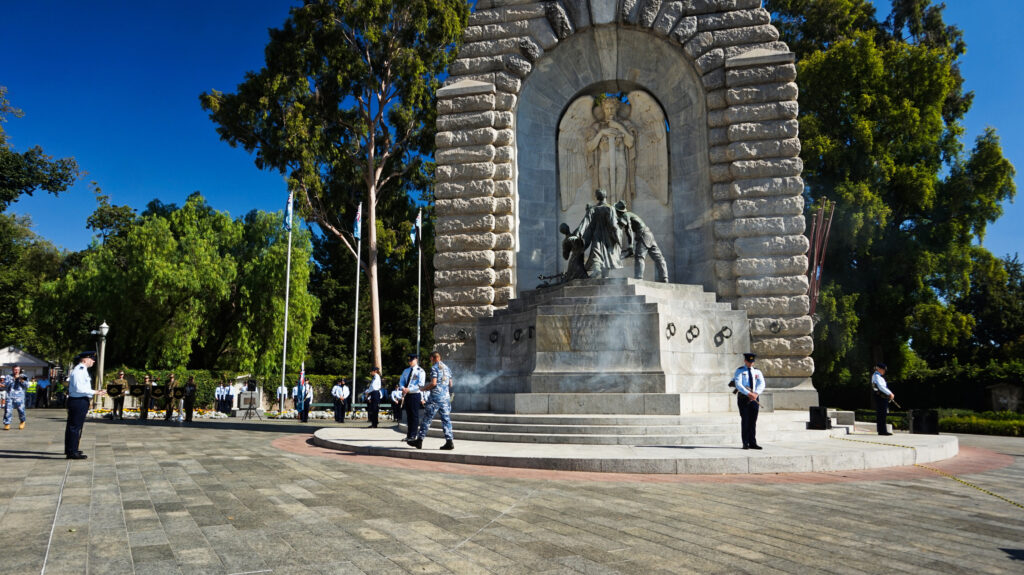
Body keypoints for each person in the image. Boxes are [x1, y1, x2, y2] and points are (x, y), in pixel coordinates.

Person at [408, 351, 455, 450]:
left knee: (427, 419)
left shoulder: (434, 368)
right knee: (446, 419)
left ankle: (419, 441)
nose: (430, 361)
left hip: (435, 398)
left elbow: (433, 383)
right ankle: (449, 441)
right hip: (446, 398)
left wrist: (424, 388)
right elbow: (451, 384)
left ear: (433, 358)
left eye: (430, 359)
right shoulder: (447, 368)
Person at [614, 201, 668, 282]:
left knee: (639, 257)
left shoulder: (625, 215)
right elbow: (628, 230)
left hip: (643, 234)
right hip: (649, 234)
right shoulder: (629, 214)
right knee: (659, 257)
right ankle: (664, 278)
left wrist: (631, 246)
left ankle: (638, 278)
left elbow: (628, 230)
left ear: (618, 211)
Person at [66, 351, 105, 459]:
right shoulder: (80, 370)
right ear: (85, 359)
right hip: (78, 400)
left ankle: (71, 448)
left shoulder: (82, 370)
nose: (93, 361)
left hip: (79, 400)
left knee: (74, 426)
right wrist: (95, 392)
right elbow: (79, 388)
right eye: (92, 359)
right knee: (75, 427)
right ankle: (72, 451)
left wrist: (95, 391)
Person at [579, 189, 623, 278]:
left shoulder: (593, 209)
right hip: (608, 238)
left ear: (597, 198)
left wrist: (578, 233)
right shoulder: (610, 208)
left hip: (597, 237)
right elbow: (614, 225)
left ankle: (599, 272)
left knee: (597, 254)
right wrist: (618, 238)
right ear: (606, 196)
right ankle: (600, 273)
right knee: (606, 256)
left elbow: (585, 222)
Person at [733, 352, 765, 450]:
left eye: (752, 362)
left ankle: (753, 442)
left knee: (753, 421)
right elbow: (738, 384)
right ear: (745, 361)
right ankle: (745, 443)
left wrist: (756, 393)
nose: (750, 364)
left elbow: (762, 383)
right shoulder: (740, 371)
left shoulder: (757, 372)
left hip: (754, 398)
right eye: (749, 361)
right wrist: (748, 393)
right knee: (745, 420)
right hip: (744, 398)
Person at [398, 353, 426, 442]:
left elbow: (420, 385)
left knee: (414, 416)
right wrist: (403, 388)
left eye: (412, 360)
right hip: (407, 395)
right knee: (409, 416)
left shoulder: (420, 371)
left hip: (415, 395)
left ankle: (413, 435)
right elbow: (401, 381)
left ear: (416, 360)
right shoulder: (406, 371)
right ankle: (409, 435)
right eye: (409, 360)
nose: (410, 362)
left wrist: (409, 389)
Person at [872, 363, 894, 436]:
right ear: (879, 369)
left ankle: (882, 430)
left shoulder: (878, 376)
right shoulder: (876, 376)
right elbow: (881, 387)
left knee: (882, 413)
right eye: (883, 369)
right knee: (882, 413)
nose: (884, 371)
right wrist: (890, 393)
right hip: (880, 396)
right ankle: (882, 431)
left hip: (882, 396)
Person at [3, 366, 28, 430]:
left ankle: (22, 421)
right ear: (12, 370)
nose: (16, 371)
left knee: (21, 411)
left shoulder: (23, 376)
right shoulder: (8, 376)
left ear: (20, 370)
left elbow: (27, 385)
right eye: (15, 370)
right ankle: (7, 423)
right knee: (8, 411)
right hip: (10, 396)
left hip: (19, 397)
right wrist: (13, 379)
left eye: (18, 370)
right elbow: (6, 385)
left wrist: (21, 380)